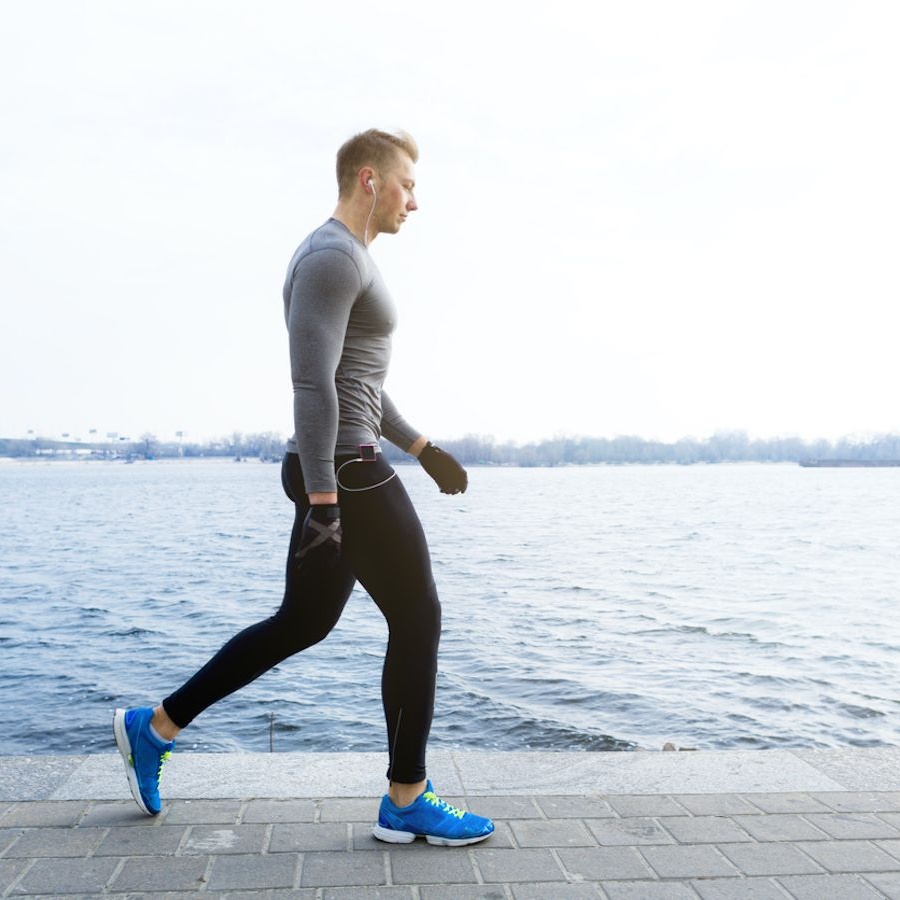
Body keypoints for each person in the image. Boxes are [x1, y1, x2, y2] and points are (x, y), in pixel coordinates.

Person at [113, 128, 493, 847]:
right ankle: (408, 798)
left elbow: (360, 383)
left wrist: (422, 447)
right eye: (408, 183)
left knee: (303, 622)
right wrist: (324, 501)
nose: (417, 199)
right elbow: (312, 384)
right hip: (345, 471)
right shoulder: (329, 257)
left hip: (347, 461)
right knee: (419, 618)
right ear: (369, 180)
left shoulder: (351, 260)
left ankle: (153, 728)